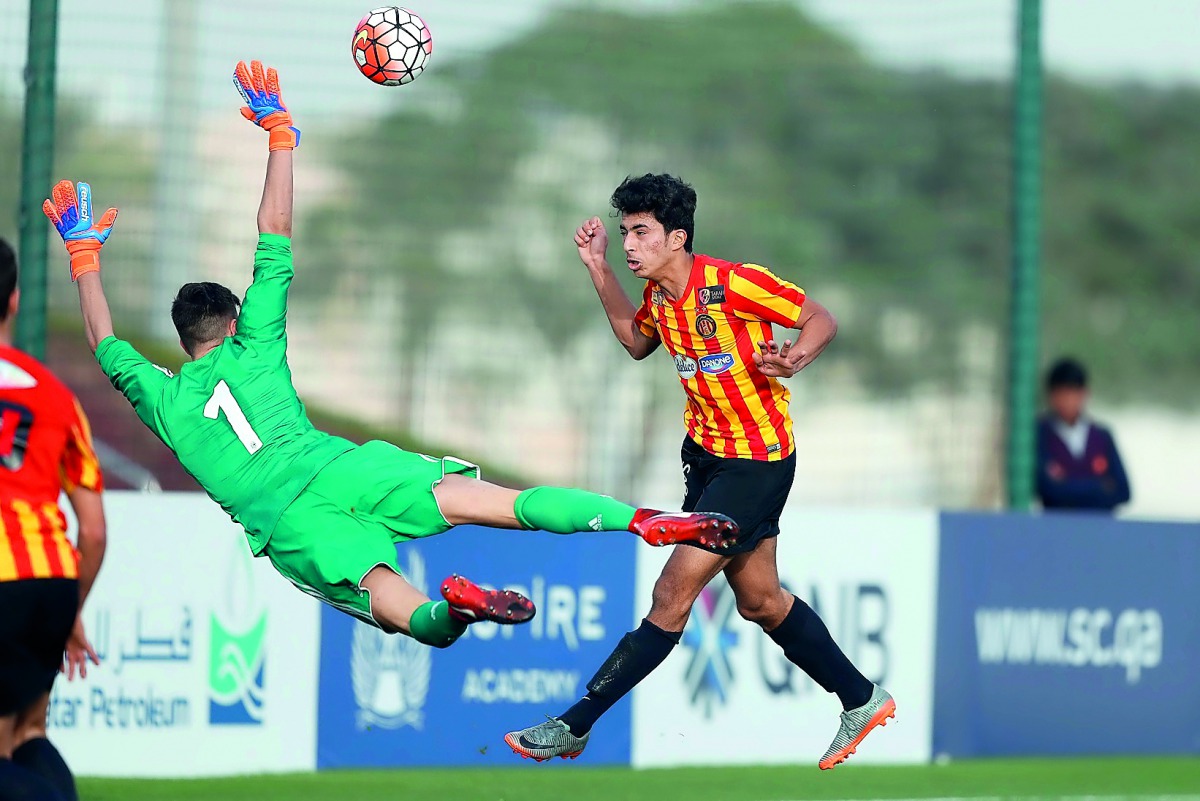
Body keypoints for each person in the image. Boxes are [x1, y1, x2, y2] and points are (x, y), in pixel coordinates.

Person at [46, 62, 736, 650]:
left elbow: (106, 344)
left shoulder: (163, 400)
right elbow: (273, 230)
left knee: (416, 618)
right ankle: (641, 519)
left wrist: (84, 258)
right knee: (498, 501)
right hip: (344, 465)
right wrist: (280, 135)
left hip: (291, 522)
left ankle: (459, 605)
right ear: (230, 321)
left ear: (186, 338)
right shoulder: (254, 341)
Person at [506, 174, 894, 770]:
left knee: (671, 594)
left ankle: (574, 723)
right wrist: (597, 268)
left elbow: (820, 318)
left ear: (677, 236)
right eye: (624, 232)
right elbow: (636, 342)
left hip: (756, 464)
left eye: (641, 232)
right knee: (761, 601)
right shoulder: (661, 299)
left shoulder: (734, 283)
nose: (629, 244)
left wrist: (794, 357)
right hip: (707, 462)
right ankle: (861, 698)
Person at [0, 237, 107, 801]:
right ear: (14, 300)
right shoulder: (56, 397)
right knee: (29, 730)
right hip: (48, 582)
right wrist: (71, 609)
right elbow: (92, 530)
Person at [1036, 357, 1130, 512]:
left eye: (1072, 394)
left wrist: (1066, 483)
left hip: (1098, 529)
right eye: (1062, 394)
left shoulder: (1102, 436)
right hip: (1057, 528)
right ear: (1051, 396)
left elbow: (1123, 491)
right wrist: (1100, 485)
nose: (1068, 401)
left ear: (1085, 394)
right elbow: (1048, 489)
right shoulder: (1039, 433)